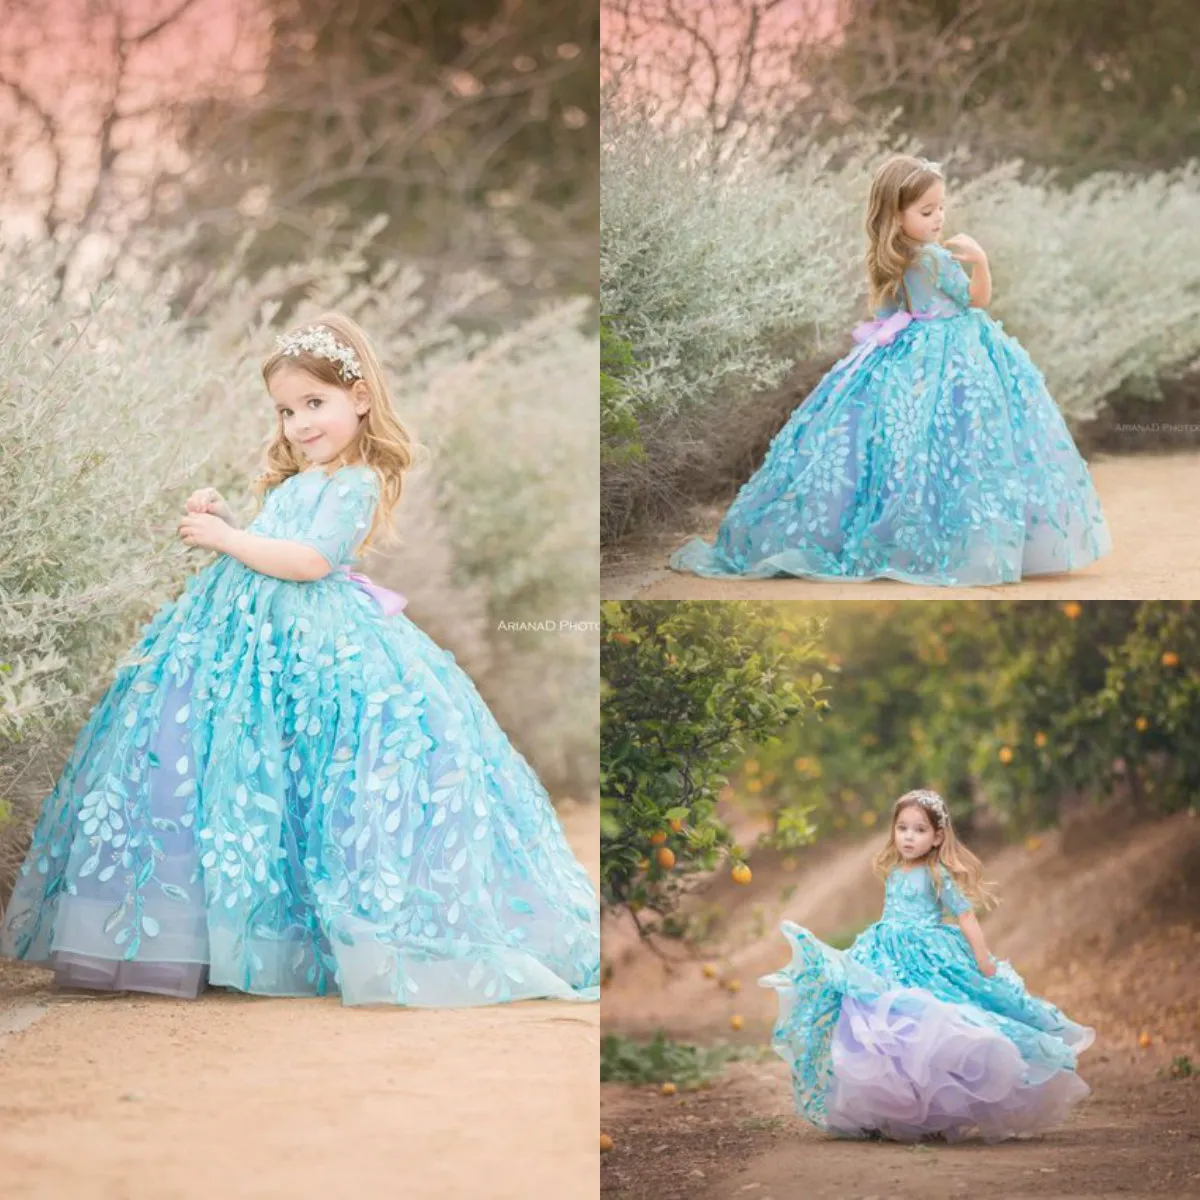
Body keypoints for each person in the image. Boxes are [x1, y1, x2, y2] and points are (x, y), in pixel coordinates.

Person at [0, 312, 600, 1008]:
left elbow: (311, 561)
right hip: (242, 647)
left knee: (313, 777)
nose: (299, 423)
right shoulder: (298, 481)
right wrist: (229, 515)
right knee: (225, 772)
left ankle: (306, 936)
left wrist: (225, 539)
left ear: (361, 397)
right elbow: (275, 540)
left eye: (315, 404)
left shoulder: (359, 480)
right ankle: (202, 933)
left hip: (316, 646)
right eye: (287, 410)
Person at [669, 154, 1112, 585]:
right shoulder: (934, 259)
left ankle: (894, 532)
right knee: (962, 442)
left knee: (897, 442)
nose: (939, 218)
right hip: (956, 352)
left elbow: (888, 310)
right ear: (897, 215)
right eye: (926, 211)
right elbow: (976, 301)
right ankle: (964, 539)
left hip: (906, 352)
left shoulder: (892, 257)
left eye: (940, 208)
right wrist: (980, 261)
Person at [758, 788, 1094, 1142]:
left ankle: (933, 1114)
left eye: (919, 830)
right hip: (884, 952)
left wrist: (982, 957)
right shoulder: (892, 871)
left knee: (929, 1025)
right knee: (879, 1024)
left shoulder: (938, 875)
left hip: (926, 958)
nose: (908, 836)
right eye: (902, 828)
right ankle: (885, 1108)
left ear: (937, 837)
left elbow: (966, 916)